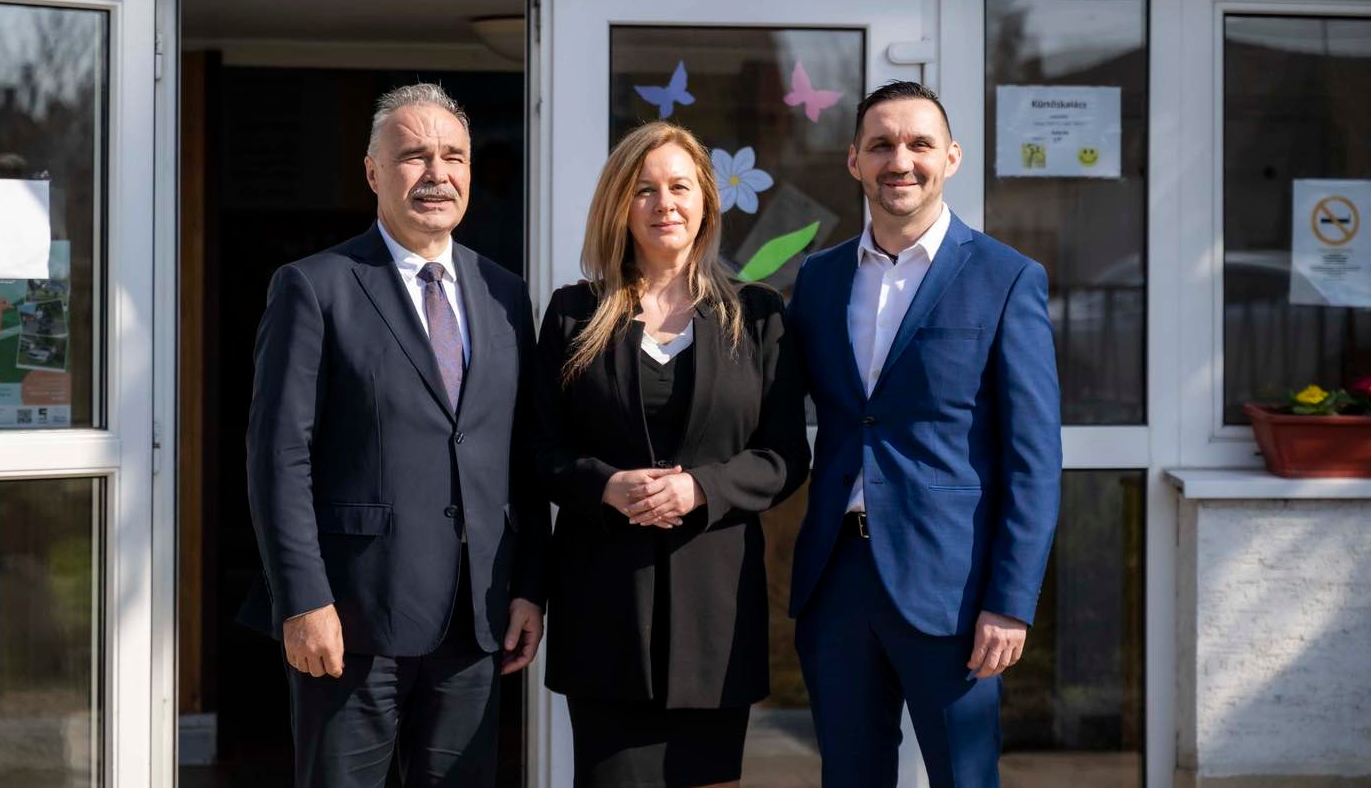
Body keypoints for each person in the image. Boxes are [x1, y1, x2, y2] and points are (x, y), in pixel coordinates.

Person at [240, 83, 549, 788]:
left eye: (454, 157)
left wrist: (529, 586)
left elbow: (522, 454)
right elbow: (278, 457)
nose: (437, 174)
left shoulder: (505, 293)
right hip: (352, 619)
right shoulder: (315, 286)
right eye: (414, 156)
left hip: (476, 617)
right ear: (373, 172)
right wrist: (302, 599)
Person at [788, 81, 1062, 787]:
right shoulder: (819, 279)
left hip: (954, 590)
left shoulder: (1006, 278)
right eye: (881, 145)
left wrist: (1010, 601)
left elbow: (1033, 460)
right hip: (837, 580)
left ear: (952, 157)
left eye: (919, 144)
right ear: (854, 160)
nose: (900, 161)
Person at [536, 121, 810, 788]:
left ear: (706, 201)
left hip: (715, 613)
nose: (665, 204)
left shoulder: (757, 315)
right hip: (605, 610)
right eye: (645, 189)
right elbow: (539, 447)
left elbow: (784, 454)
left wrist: (702, 489)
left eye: (680, 187)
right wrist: (604, 486)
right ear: (619, 205)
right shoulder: (574, 314)